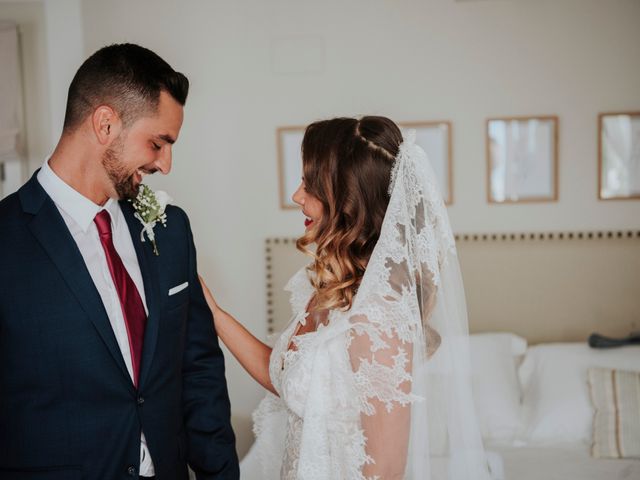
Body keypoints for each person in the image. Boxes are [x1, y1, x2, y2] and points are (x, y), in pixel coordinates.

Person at [200, 116, 491, 479]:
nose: (296, 196)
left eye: (309, 183)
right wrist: (213, 313)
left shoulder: (379, 319)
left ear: (347, 199)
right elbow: (287, 379)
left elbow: (385, 471)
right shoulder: (330, 290)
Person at [0, 44, 238, 479]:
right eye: (157, 143)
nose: (165, 165)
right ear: (105, 123)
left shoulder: (170, 228)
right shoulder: (6, 238)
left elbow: (198, 368)